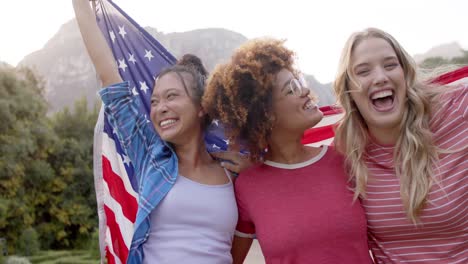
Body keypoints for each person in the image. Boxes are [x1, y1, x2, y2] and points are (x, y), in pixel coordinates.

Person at [73, 1, 250, 263]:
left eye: (171, 97)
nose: (160, 108)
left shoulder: (234, 173)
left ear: (202, 106)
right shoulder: (149, 157)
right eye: (154, 101)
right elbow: (109, 78)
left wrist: (255, 172)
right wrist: (79, 5)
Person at [203, 38, 373, 263]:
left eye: (299, 81)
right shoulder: (247, 186)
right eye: (291, 88)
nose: (305, 91)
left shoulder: (345, 160)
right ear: (265, 115)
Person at [333, 27, 467, 263]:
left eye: (390, 65)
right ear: (349, 90)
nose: (380, 77)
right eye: (363, 71)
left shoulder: (458, 111)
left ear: (405, 75)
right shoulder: (345, 153)